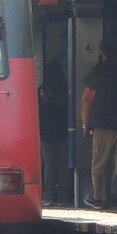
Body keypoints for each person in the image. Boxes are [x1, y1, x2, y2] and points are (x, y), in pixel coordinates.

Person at [81, 38, 117, 211]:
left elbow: (86, 100)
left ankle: (97, 197)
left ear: (102, 53)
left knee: (99, 162)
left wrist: (86, 124)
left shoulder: (98, 73)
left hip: (102, 123)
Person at [38, 61, 69, 206]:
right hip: (63, 132)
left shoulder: (40, 91)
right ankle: (63, 197)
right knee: (63, 164)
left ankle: (48, 196)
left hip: (45, 132)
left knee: (49, 165)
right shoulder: (65, 90)